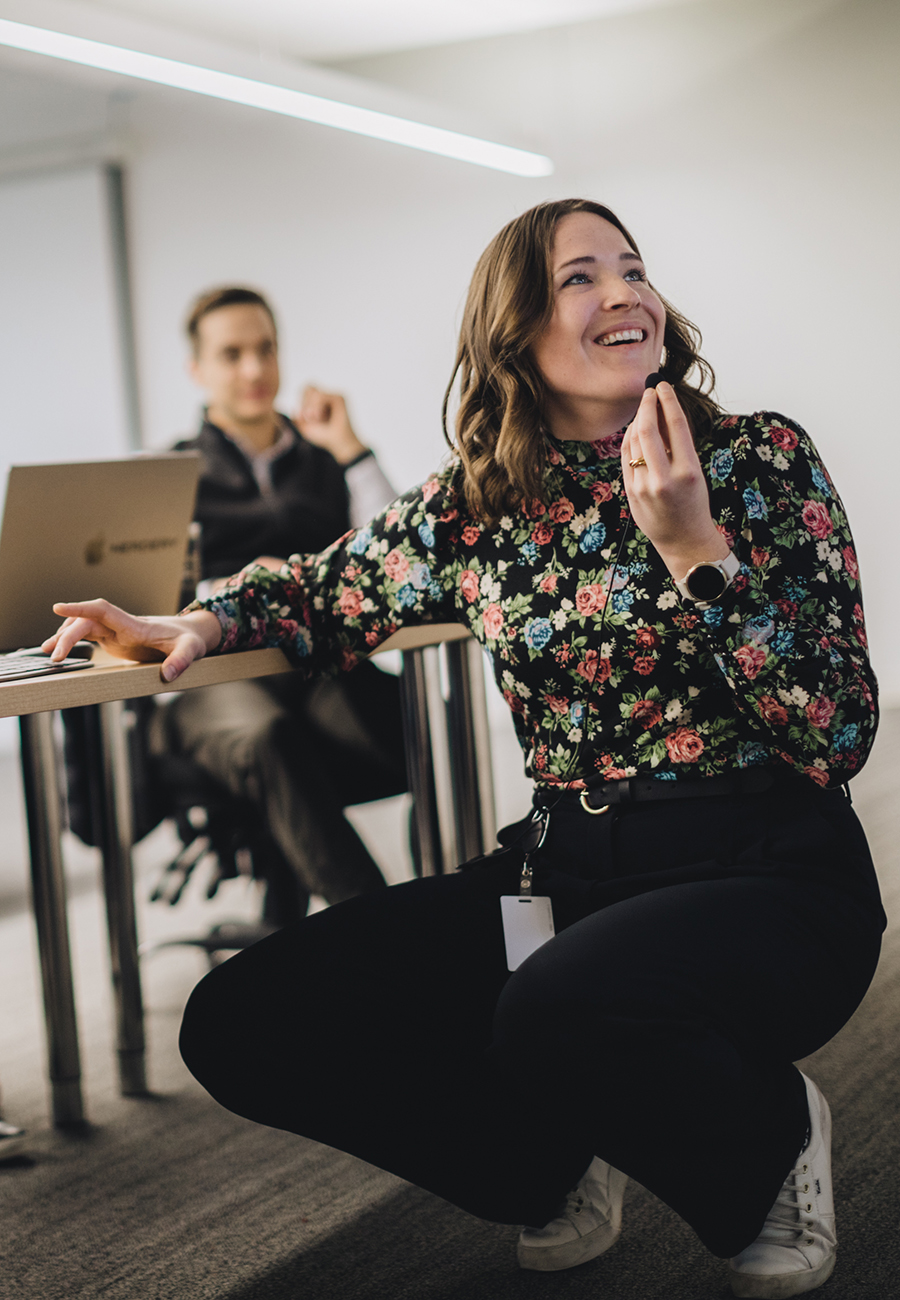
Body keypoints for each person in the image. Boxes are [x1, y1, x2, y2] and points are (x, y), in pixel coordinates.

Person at [45, 199, 884, 1298]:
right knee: (241, 1019)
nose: (625, 291)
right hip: (570, 868)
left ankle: (770, 1138)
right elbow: (319, 585)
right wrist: (193, 623)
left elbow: (840, 730)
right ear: (515, 334)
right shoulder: (483, 501)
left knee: (552, 1007)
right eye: (582, 277)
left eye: (633, 268)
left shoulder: (761, 459)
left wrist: (698, 552)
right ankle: (539, 1163)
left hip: (767, 870)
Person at [161, 286, 407, 921]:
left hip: (317, 664)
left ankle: (462, 902)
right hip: (214, 680)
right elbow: (155, 599)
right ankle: (385, 932)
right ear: (197, 370)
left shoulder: (322, 456)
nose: (254, 369)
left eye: (265, 349)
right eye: (232, 353)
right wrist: (247, 587)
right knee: (271, 739)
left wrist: (350, 449)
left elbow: (397, 557)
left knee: (420, 728)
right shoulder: (170, 472)